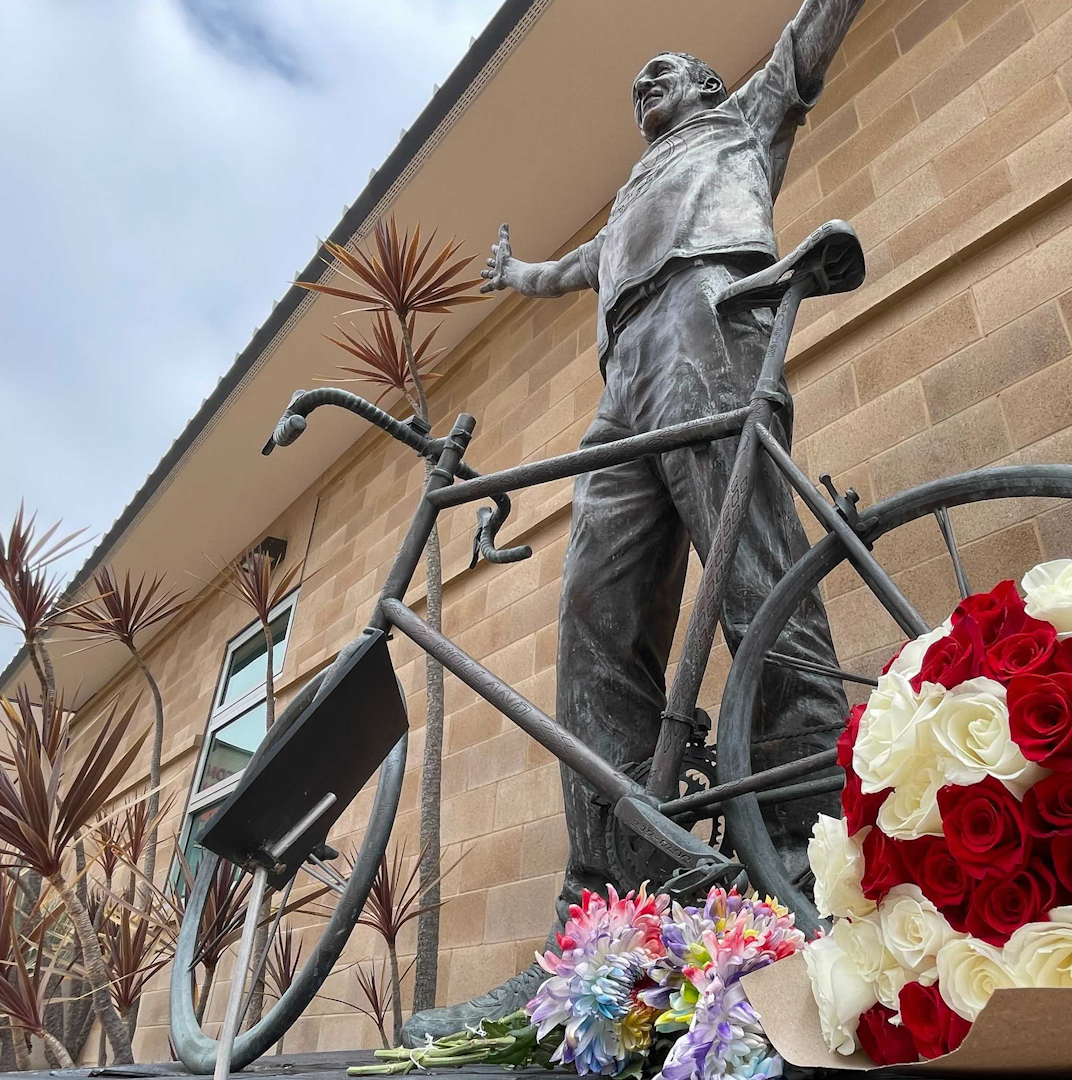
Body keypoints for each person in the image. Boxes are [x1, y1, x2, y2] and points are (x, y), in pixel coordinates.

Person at [402, 0, 867, 1041]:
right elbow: (569, 275)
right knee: (593, 626)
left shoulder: (740, 121)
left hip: (713, 314)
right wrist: (518, 275)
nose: (642, 85)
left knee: (757, 588)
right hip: (626, 370)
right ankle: (596, 922)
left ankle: (820, 860)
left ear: (705, 84)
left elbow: (813, 33)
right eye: (636, 83)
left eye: (663, 71)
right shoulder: (619, 211)